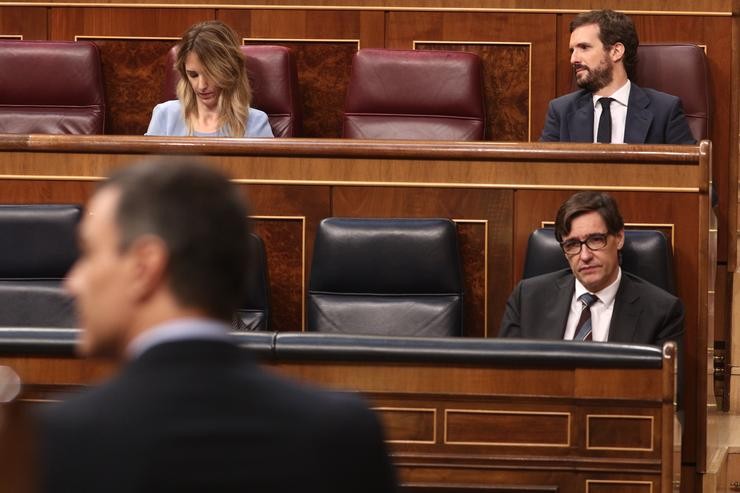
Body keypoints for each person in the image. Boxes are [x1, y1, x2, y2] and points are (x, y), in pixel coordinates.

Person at [36, 158, 395, 493]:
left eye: (88, 253)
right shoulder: (344, 433)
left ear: (144, 267)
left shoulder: (64, 438)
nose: (72, 282)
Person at [499, 191, 684, 349]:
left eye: (595, 240)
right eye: (572, 244)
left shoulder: (661, 312)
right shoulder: (527, 299)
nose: (585, 256)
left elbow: (666, 389)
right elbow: (505, 378)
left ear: (619, 237)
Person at [540, 9, 695, 144]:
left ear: (616, 51)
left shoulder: (665, 110)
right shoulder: (561, 110)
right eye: (572, 51)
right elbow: (541, 172)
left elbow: (693, 173)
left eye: (584, 47)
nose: (573, 59)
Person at [146, 20, 273, 138]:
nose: (201, 86)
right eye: (193, 75)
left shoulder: (256, 123)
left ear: (229, 71)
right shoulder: (164, 115)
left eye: (210, 74)